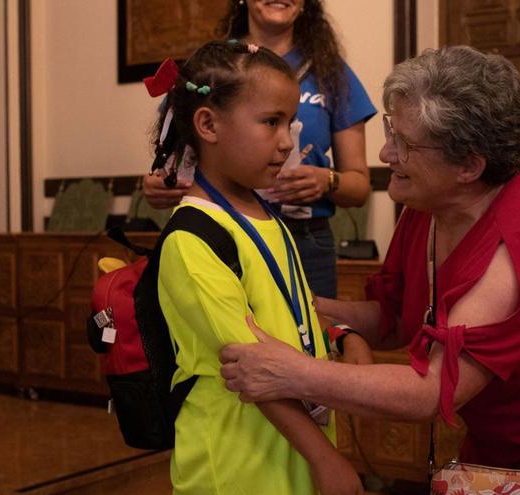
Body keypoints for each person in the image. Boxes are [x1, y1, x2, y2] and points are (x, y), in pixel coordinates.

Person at [219, 46, 520, 495]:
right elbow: (393, 316)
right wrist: (304, 305)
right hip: (500, 422)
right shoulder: (428, 203)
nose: (386, 153)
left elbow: (429, 391)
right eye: (390, 128)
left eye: (404, 142)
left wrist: (293, 373)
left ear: (468, 165)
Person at [152, 40, 364, 495]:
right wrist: (326, 458)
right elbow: (248, 362)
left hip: (292, 446)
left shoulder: (266, 215)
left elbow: (289, 313)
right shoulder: (193, 238)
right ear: (208, 124)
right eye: (271, 122)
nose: (287, 141)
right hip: (235, 461)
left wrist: (339, 336)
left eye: (289, 122)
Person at [145, 0, 376, 299]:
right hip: (220, 227)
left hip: (303, 240)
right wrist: (156, 186)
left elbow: (359, 186)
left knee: (312, 335)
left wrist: (327, 180)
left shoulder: (331, 72)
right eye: (270, 121)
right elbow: (173, 155)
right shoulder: (213, 68)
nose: (285, 142)